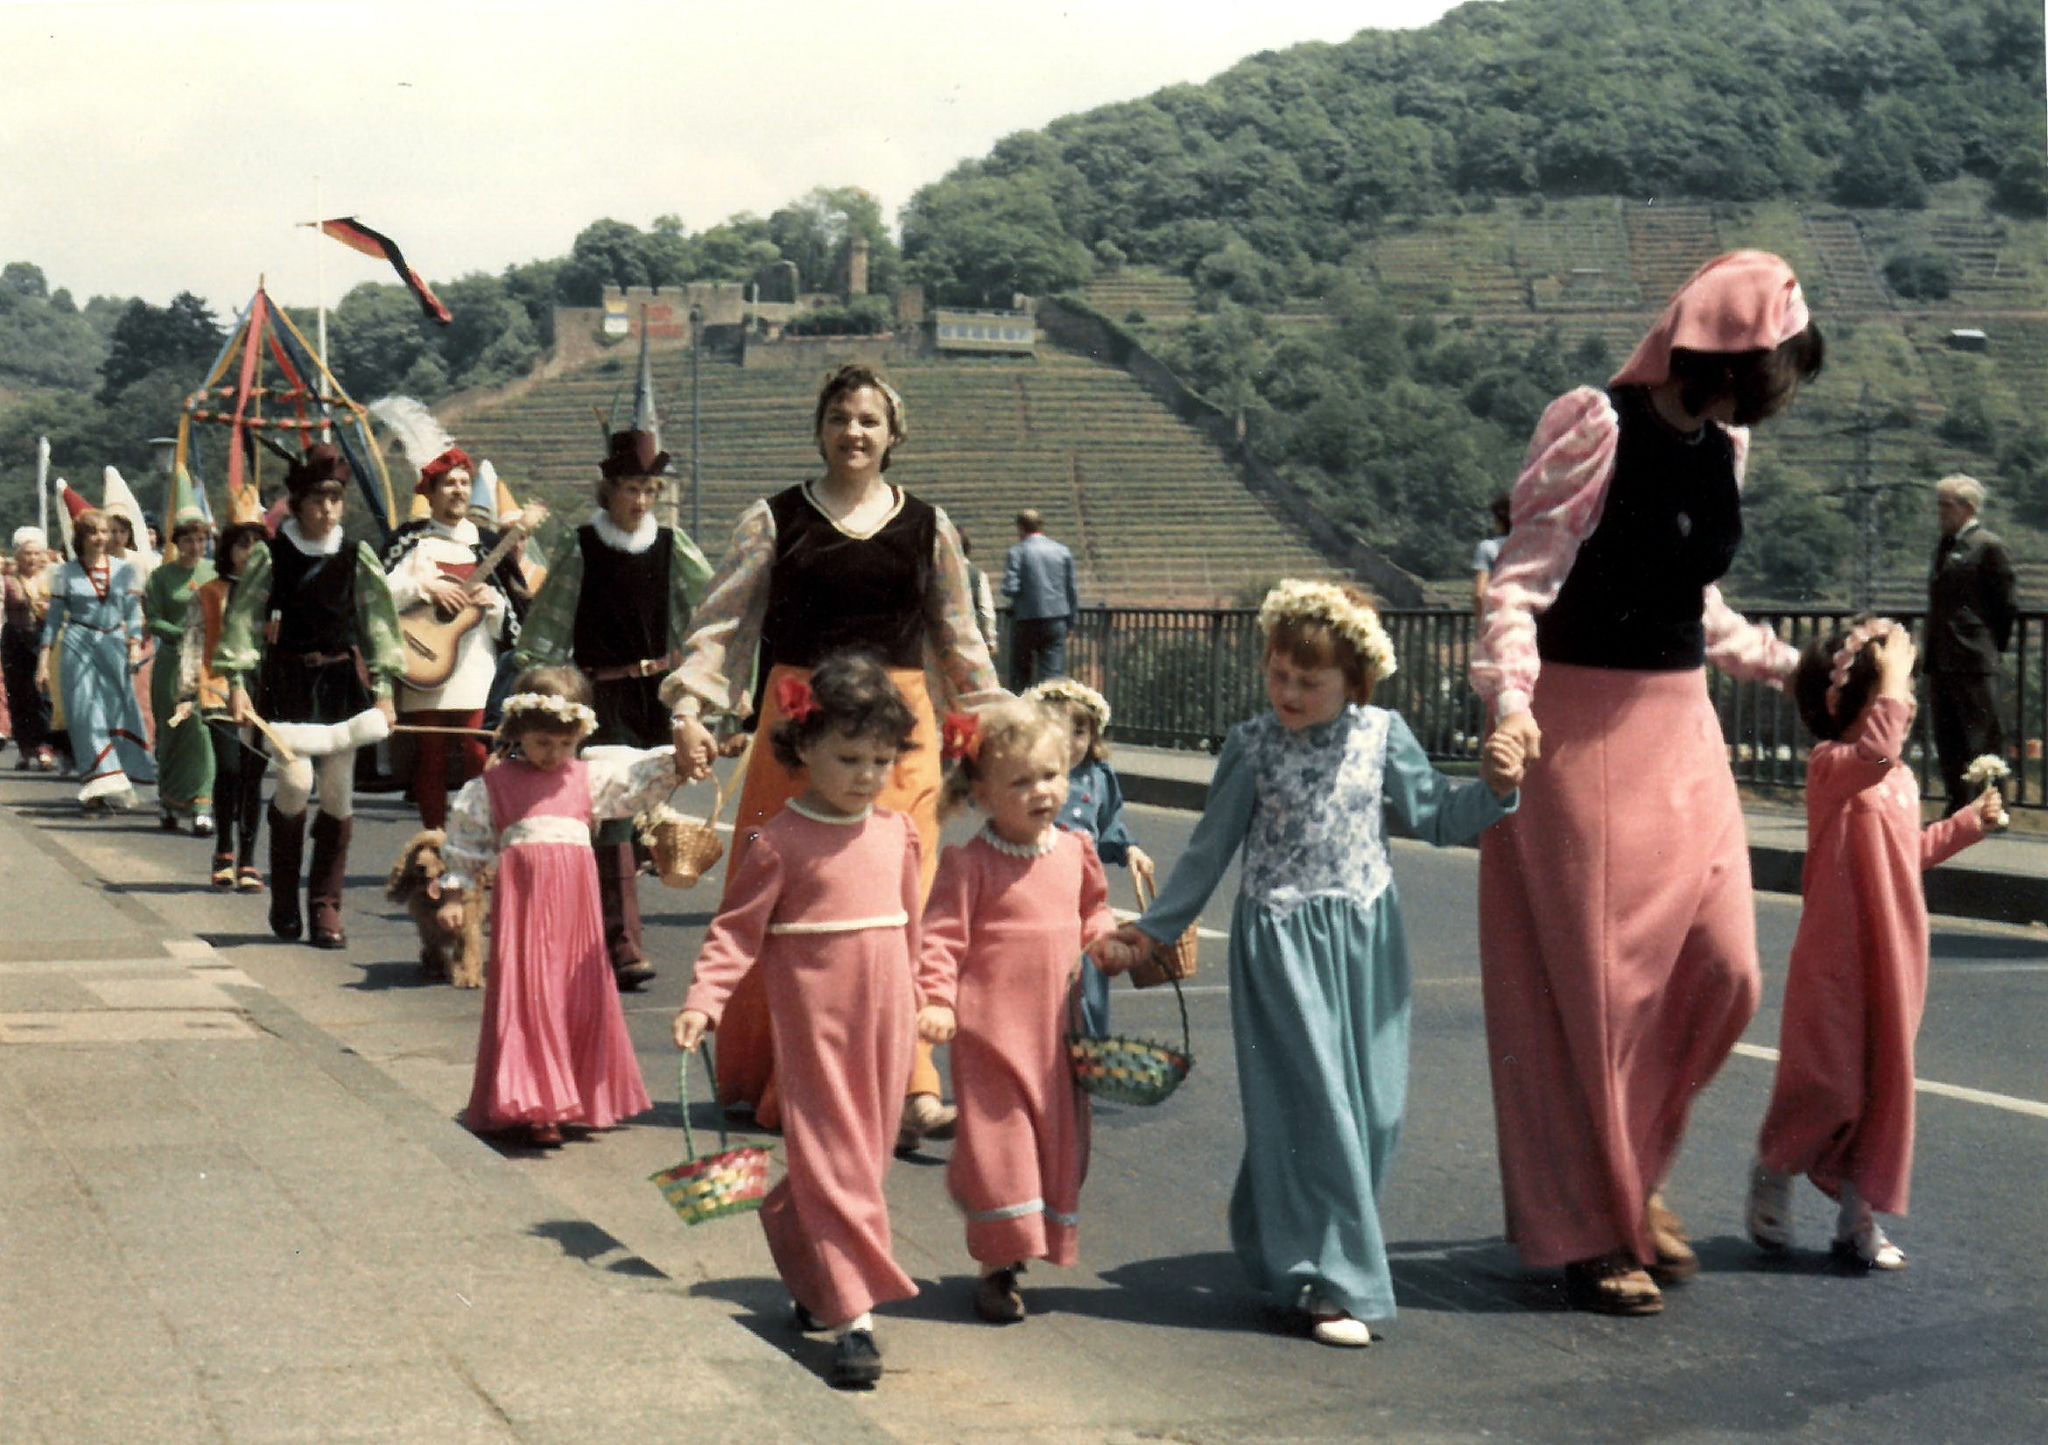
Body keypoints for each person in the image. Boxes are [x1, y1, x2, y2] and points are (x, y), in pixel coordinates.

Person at [1469, 250, 1825, 1316]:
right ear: (1727, 355)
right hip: (1577, 731)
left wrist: (1789, 665)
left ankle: (1631, 1176)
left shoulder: (1725, 444)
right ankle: (1593, 1229)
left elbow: (1696, 601)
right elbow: (1517, 584)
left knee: (1725, 972)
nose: (1765, 397)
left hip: (1680, 726)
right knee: (1597, 999)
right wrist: (1513, 705)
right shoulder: (1594, 423)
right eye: (1766, 372)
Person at [1109, 581, 1524, 1348]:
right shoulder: (1253, 745)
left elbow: (1437, 815)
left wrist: (1497, 787)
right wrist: (1151, 931)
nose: (1289, 691)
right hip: (1283, 942)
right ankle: (1333, 1283)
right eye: (1279, 674)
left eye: (1310, 679)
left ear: (1354, 682)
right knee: (1323, 1111)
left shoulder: (1383, 734)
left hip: (1369, 942)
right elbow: (1208, 852)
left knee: (1373, 1112)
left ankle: (1276, 1232)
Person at [665, 363, 1004, 1146]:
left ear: (894, 435)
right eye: (840, 417)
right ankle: (780, 1072)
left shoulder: (930, 526)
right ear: (820, 427)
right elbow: (723, 624)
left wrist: (998, 727)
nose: (854, 432)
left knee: (899, 906)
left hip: (898, 735)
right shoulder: (776, 518)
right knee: (786, 901)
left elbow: (960, 639)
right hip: (800, 727)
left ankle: (911, 1082)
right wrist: (690, 705)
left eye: (869, 420)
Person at [673, 651, 927, 1390]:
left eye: (881, 759)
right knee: (836, 1162)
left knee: (862, 1163)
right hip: (814, 1028)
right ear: (804, 747)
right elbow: (733, 932)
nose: (866, 775)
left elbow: (911, 930)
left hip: (885, 1022)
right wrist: (703, 1001)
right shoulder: (779, 840)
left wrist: (921, 1001)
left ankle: (798, 1240)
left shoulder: (897, 833)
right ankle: (855, 1319)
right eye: (849, 757)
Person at [1745, 621, 2001, 1272]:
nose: (1905, 700)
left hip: (1895, 952)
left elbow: (1905, 852)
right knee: (1827, 1081)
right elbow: (1878, 750)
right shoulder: (1834, 768)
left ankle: (1858, 1217)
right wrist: (1892, 675)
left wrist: (1970, 825)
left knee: (1883, 1085)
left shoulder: (1899, 781)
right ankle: (1775, 1166)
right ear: (1857, 702)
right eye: (1895, 689)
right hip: (1835, 957)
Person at [915, 699, 1134, 1324]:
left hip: (1058, 1035)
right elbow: (940, 942)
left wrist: (1107, 942)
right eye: (1020, 781)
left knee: (1055, 1151)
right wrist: (935, 1000)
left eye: (1051, 775)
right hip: (990, 1038)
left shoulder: (1075, 851)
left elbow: (1094, 910)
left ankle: (1010, 1242)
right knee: (1002, 1153)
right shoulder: (969, 864)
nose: (1043, 791)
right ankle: (997, 1269)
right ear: (981, 792)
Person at [514, 428, 711, 990]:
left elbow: (708, 620)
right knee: (616, 817)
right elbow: (549, 623)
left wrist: (716, 700)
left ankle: (596, 930)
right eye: (631, 488)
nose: (641, 501)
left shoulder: (675, 548)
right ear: (610, 490)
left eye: (649, 489)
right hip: (600, 698)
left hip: (657, 698)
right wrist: (533, 695)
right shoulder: (582, 546)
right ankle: (623, 945)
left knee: (643, 814)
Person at [442, 666, 666, 1149]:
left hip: (577, 913)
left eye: (565, 745)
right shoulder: (492, 787)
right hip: (524, 910)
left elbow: (641, 780)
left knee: (577, 992)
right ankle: (536, 1103)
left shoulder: (588, 780)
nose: (554, 755)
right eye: (543, 743)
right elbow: (465, 843)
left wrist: (687, 755)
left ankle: (580, 1096)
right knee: (533, 994)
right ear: (519, 732)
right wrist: (457, 896)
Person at [219, 444, 404, 949]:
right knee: (296, 782)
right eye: (317, 500)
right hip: (288, 685)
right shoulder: (270, 555)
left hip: (340, 684)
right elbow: (243, 622)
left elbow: (379, 627)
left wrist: (385, 692)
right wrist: (236, 682)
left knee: (340, 793)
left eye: (335, 500)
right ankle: (284, 897)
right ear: (297, 504)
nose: (326, 511)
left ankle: (325, 906)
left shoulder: (356, 555)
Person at [383, 447, 524, 830]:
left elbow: (511, 618)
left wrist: (491, 602)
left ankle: (480, 837)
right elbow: (381, 596)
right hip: (424, 659)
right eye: (448, 484)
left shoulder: (489, 544)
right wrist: (426, 588)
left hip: (476, 666)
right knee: (431, 755)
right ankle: (435, 840)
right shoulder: (409, 542)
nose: (458, 490)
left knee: (480, 751)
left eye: (464, 482)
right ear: (430, 493)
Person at [1025, 676, 1153, 1040]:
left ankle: (1090, 1045)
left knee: (1093, 961)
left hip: (1085, 891)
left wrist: (1130, 849)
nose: (1069, 741)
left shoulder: (1098, 777)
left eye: (1079, 731)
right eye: (1058, 730)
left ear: (1093, 736)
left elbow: (1109, 822)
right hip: (1040, 885)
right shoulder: (1034, 775)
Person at [36, 508, 155, 811]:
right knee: (85, 716)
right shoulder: (65, 573)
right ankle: (96, 787)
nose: (101, 538)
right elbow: (53, 620)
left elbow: (132, 612)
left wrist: (133, 644)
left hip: (114, 643)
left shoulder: (126, 570)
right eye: (93, 532)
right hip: (78, 642)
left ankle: (115, 779)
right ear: (81, 537)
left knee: (117, 714)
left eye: (105, 531)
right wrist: (43, 661)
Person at [184, 521, 271, 891]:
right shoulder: (209, 592)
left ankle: (248, 860)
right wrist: (187, 689)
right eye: (242, 544)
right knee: (231, 768)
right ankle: (224, 849)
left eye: (256, 544)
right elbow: (192, 640)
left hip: (265, 690)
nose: (249, 551)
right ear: (228, 551)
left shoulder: (275, 594)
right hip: (217, 687)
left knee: (254, 776)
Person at [1926, 474, 2017, 817]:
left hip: (1973, 657)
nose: (1940, 512)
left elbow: (2005, 604)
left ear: (1968, 507)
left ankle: (1992, 807)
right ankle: (1958, 803)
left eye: (1946, 505)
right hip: (1943, 656)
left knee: (1982, 736)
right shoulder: (1945, 546)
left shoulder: (1988, 546)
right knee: (1948, 736)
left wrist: (1988, 645)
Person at [143, 510, 216, 834]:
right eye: (188, 539)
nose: (195, 546)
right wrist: (180, 633)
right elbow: (153, 618)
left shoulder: (214, 573)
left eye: (201, 539)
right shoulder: (161, 577)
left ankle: (202, 804)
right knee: (171, 730)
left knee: (201, 731)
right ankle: (169, 801)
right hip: (173, 662)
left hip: (205, 664)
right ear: (177, 543)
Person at [1001, 508, 1078, 691]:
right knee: (1052, 678)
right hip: (1056, 619)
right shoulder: (1062, 551)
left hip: (1025, 621)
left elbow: (1010, 588)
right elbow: (1071, 590)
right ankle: (1052, 716)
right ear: (1042, 526)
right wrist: (1071, 622)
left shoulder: (1017, 552)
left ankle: (1023, 716)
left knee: (1021, 676)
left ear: (1020, 528)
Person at [4, 527, 58, 772]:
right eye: (27, 554)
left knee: (43, 694)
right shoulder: (9, 579)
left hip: (43, 638)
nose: (32, 559)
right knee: (18, 694)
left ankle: (46, 746)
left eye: (36, 553)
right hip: (15, 639)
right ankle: (25, 749)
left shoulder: (52, 577)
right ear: (18, 555)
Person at [1471, 493, 1512, 617]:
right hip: (1527, 622)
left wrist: (1481, 625)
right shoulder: (1531, 548)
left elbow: (1479, 594)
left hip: (1497, 618)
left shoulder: (1487, 547)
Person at [960, 529, 998, 652]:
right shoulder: (977, 575)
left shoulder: (935, 574)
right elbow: (986, 611)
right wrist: (990, 640)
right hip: (969, 640)